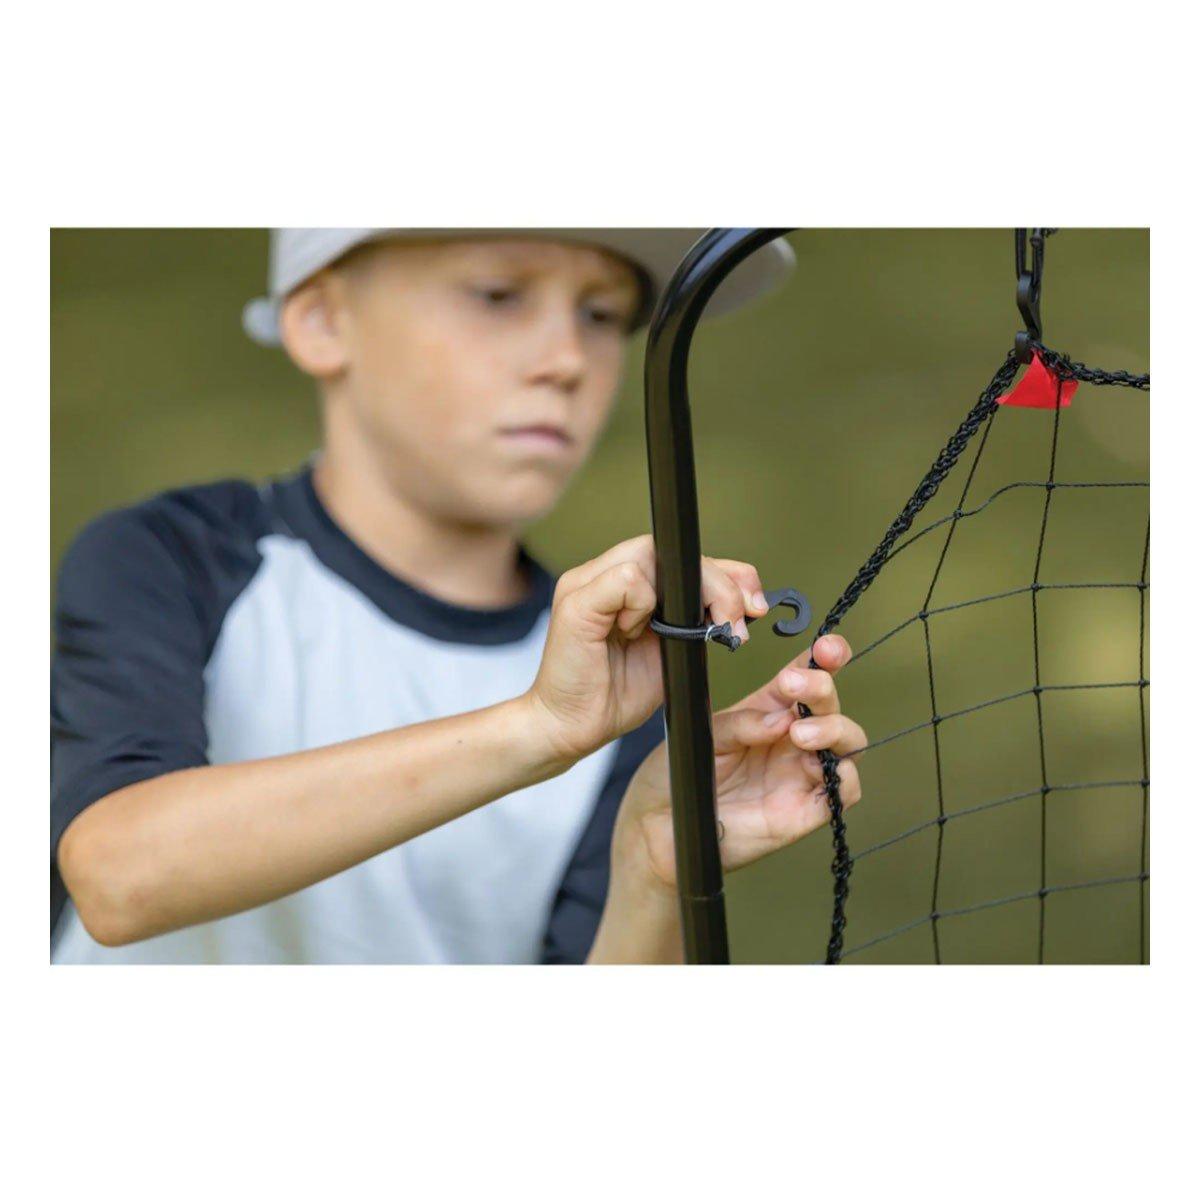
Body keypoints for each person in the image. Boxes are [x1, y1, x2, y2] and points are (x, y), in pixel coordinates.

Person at [50, 229, 866, 964]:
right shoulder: (172, 558)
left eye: (601, 315)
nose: (566, 361)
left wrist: (654, 865)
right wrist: (538, 728)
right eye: (498, 295)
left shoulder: (627, 686)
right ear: (324, 322)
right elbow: (118, 877)